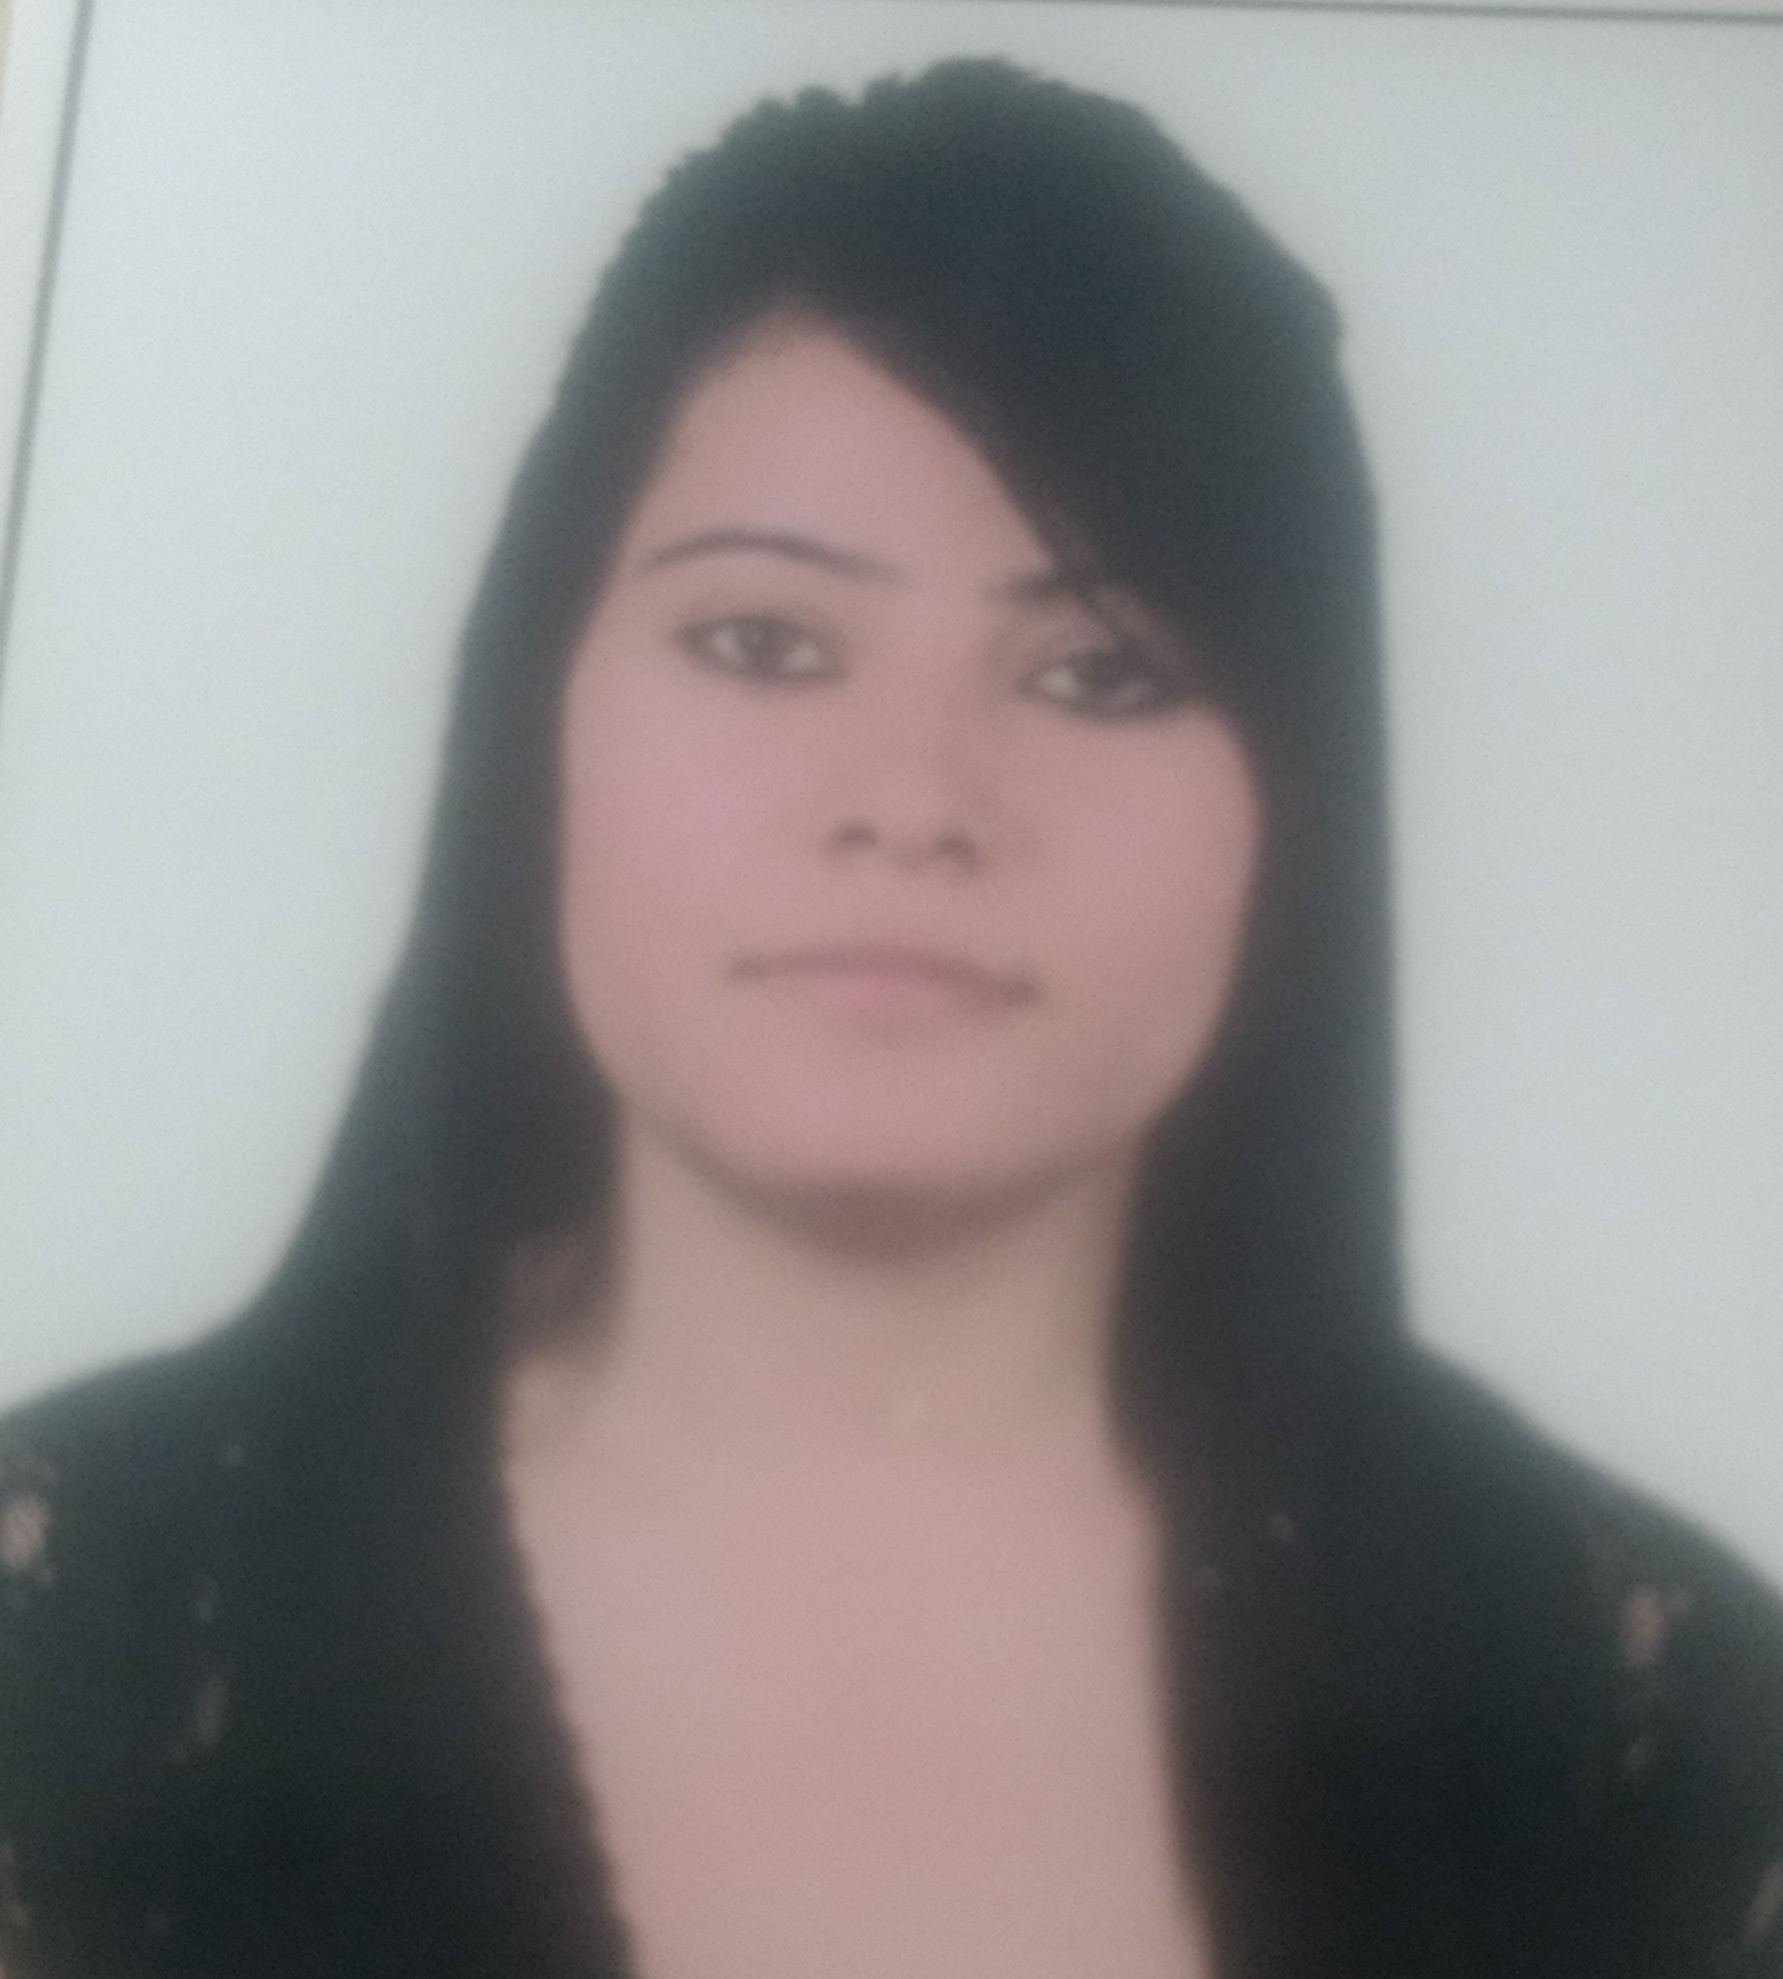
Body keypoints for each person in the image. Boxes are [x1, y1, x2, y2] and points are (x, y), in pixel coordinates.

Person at [1, 58, 1779, 1979]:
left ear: (1301, 809)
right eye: (763, 642)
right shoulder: (74, 1625)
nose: (916, 795)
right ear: (537, 726)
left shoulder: (1634, 1709)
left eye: (1101, 672)